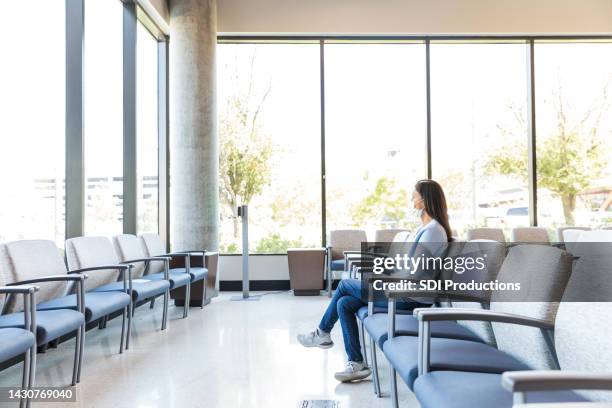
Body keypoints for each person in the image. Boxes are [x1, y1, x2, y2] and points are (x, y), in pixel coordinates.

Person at [297, 179, 453, 382]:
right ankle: (357, 363)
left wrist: (384, 280)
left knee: (344, 284)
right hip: (403, 290)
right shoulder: (426, 229)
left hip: (411, 297)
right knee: (344, 303)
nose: (411, 198)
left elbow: (417, 274)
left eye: (414, 195)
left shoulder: (432, 231)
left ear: (424, 200)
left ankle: (322, 333)